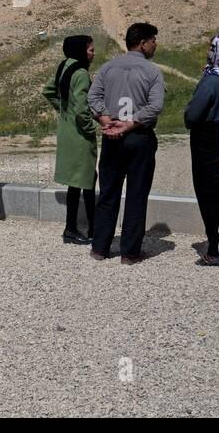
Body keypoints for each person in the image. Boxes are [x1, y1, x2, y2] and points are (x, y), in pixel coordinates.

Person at [87, 22, 165, 264]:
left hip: (112, 138)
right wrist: (130, 123)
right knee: (136, 195)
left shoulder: (107, 68)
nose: (155, 45)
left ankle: (100, 248)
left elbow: (93, 97)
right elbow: (155, 106)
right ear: (142, 43)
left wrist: (106, 120)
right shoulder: (152, 72)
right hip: (139, 137)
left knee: (108, 193)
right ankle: (130, 253)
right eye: (153, 40)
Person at [184, 35, 219, 265]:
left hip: (208, 143)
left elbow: (192, 115)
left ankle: (218, 250)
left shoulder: (212, 81)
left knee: (210, 196)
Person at [42, 35, 98, 245]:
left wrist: (63, 109)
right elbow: (83, 109)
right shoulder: (82, 73)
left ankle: (74, 228)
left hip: (66, 131)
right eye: (90, 50)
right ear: (80, 51)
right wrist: (91, 128)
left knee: (76, 182)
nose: (93, 54)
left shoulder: (64, 66)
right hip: (79, 135)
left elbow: (48, 90)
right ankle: (85, 229)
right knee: (88, 180)